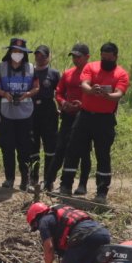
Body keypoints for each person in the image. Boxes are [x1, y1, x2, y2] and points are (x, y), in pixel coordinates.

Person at [58, 42, 129, 204]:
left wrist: (107, 96)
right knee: (72, 149)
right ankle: (65, 186)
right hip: (85, 116)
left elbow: (119, 94)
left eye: (109, 59)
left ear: (115, 57)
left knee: (102, 155)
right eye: (103, 58)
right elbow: (84, 84)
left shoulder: (121, 74)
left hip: (105, 120)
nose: (105, 61)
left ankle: (101, 192)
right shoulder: (91, 67)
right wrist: (91, 90)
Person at [0, 37, 39, 190]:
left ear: (24, 54)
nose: (17, 54)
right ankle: (9, 178)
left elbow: (37, 87)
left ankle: (25, 180)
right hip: (6, 113)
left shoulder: (31, 68)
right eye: (15, 51)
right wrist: (4, 93)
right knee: (7, 146)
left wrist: (27, 94)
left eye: (20, 52)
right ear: (10, 52)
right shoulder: (1, 67)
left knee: (25, 147)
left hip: (25, 114)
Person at [26, 202, 112, 263]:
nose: (38, 229)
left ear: (35, 219)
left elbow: (49, 249)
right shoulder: (58, 213)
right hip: (103, 234)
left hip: (85, 236)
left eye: (35, 227)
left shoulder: (43, 222)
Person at [52, 43, 92, 193]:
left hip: (85, 117)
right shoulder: (68, 73)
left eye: (78, 57)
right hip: (68, 115)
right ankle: (59, 182)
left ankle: (83, 184)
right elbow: (59, 92)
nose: (75, 59)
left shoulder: (92, 74)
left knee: (84, 152)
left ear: (87, 57)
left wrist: (82, 105)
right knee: (63, 148)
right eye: (73, 57)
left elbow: (95, 95)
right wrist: (63, 103)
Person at [30, 45, 60, 191]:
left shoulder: (54, 73)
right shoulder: (29, 72)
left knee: (50, 148)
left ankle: (49, 180)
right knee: (32, 147)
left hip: (49, 112)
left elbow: (60, 92)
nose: (39, 58)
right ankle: (33, 178)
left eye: (42, 56)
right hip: (32, 112)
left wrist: (62, 106)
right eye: (37, 55)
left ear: (48, 57)